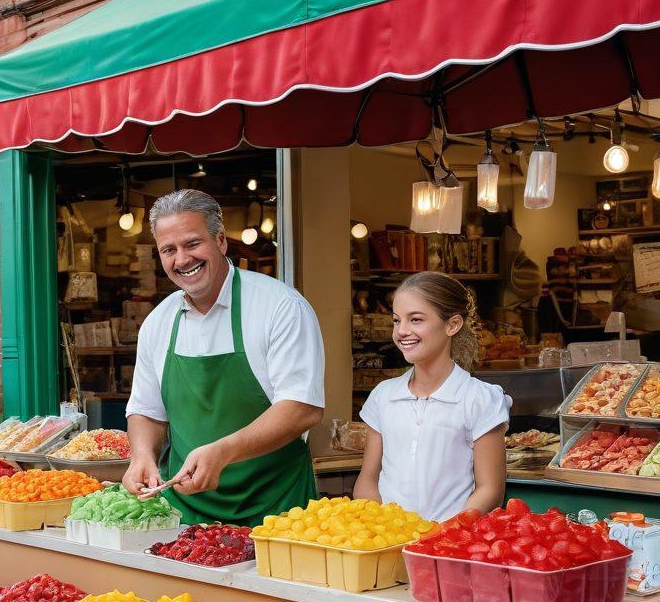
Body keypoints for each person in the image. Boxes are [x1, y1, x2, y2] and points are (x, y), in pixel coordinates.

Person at [123, 189, 325, 527]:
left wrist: (223, 452)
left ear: (220, 241)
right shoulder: (158, 321)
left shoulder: (280, 307)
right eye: (168, 250)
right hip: (185, 514)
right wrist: (142, 455)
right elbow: (146, 410)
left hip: (278, 512)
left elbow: (301, 408)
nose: (182, 260)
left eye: (192, 244)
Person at [353, 273, 510, 523]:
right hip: (388, 546)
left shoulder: (480, 398)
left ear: (453, 325)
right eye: (396, 320)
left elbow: (490, 490)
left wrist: (444, 535)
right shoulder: (383, 396)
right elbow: (368, 479)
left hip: (450, 548)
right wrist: (377, 528)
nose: (402, 331)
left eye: (415, 320)